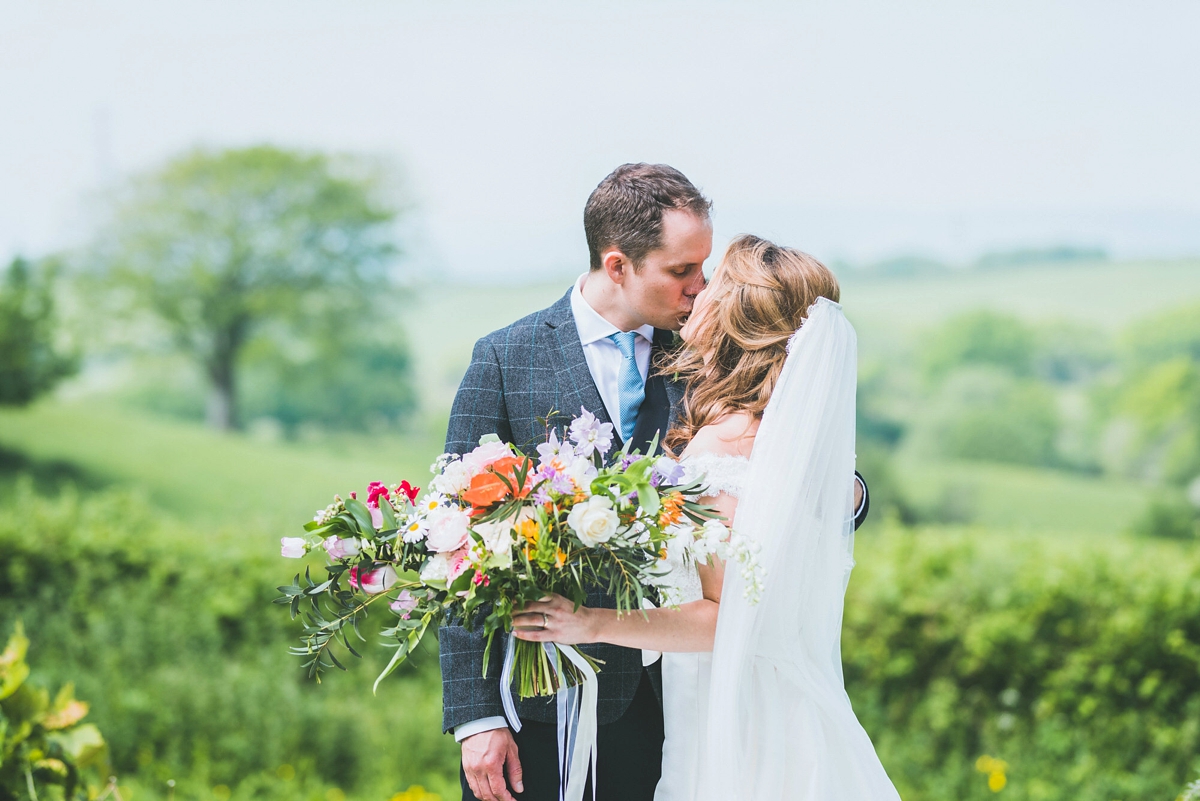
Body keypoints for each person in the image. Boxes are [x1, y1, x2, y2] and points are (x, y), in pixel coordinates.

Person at [441, 166, 870, 801]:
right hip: (540, 700)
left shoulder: (711, 351)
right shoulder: (506, 358)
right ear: (619, 266)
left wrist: (840, 492)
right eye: (681, 271)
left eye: (705, 269)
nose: (700, 288)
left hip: (681, 700)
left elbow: (789, 458)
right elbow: (456, 547)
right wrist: (475, 717)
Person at [512, 235, 898, 799]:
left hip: (740, 717)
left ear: (733, 315)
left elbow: (725, 617)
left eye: (711, 280)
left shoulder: (723, 445)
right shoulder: (785, 437)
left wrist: (590, 622)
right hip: (777, 698)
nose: (697, 288)